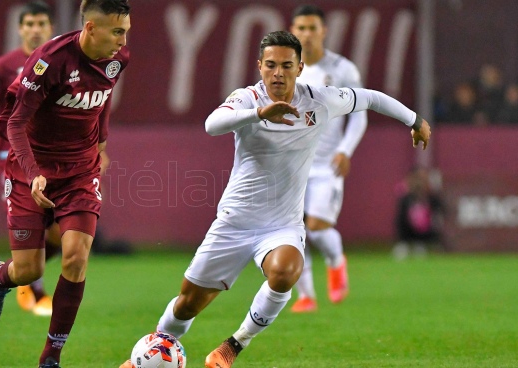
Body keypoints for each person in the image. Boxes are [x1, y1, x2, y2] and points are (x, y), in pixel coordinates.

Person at [120, 30, 430, 368]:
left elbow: (369, 98)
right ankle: (145, 357)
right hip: (234, 222)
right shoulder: (247, 99)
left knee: (286, 271)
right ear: (259, 66)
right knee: (187, 305)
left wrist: (414, 120)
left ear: (300, 67)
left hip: (281, 225)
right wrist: (258, 115)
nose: (277, 73)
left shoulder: (320, 99)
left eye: (286, 65)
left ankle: (232, 347)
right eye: (270, 65)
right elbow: (212, 124)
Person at [0, 1, 131, 367]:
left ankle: (51, 356)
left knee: (76, 258)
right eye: (117, 31)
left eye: (125, 31)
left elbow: (104, 97)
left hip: (80, 170)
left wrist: (102, 142)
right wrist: (33, 173)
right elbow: (14, 123)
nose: (124, 41)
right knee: (29, 271)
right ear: (91, 28)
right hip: (31, 169)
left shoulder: (117, 57)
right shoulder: (49, 60)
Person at [0, 1, 57, 316]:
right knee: (36, 227)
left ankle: (22, 277)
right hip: (16, 163)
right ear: (20, 28)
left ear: (50, 28)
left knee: (61, 232)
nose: (35, 29)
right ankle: (33, 287)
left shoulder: (61, 62)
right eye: (29, 23)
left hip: (54, 159)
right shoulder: (5, 66)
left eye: (41, 23)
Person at [287, 4, 368, 313]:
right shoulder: (287, 67)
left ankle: (336, 261)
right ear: (293, 31)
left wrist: (345, 150)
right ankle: (306, 296)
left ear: (324, 31)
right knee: (293, 230)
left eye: (312, 28)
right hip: (293, 164)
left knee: (317, 226)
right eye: (301, 28)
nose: (306, 34)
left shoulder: (343, 69)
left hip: (326, 164)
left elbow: (359, 115)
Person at [392, 167, 444, 260]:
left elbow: (441, 211)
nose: (419, 182)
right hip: (407, 233)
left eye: (422, 179)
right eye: (417, 178)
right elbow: (401, 220)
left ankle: (423, 244)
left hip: (426, 233)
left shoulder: (431, 198)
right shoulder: (406, 199)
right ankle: (405, 244)